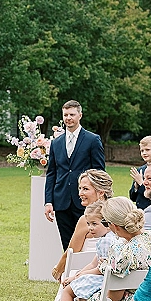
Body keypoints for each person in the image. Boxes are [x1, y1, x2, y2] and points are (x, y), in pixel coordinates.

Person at [42, 201, 115, 301]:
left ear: (107, 223)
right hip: (102, 278)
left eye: (94, 224)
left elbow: (102, 268)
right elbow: (94, 263)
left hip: (105, 280)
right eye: (88, 224)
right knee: (77, 294)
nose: (90, 228)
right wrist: (77, 275)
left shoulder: (108, 241)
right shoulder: (106, 239)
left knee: (68, 291)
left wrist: (80, 276)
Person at [44, 100, 106, 250]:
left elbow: (99, 172)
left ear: (80, 115)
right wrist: (48, 201)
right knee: (67, 244)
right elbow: (51, 173)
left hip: (85, 200)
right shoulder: (56, 143)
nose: (68, 118)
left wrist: (98, 199)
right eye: (65, 115)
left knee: (86, 242)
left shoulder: (92, 140)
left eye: (72, 114)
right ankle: (68, 272)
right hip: (61, 200)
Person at [51, 169, 114, 281]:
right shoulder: (116, 215)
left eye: (85, 189)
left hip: (84, 273)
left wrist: (57, 270)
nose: (80, 193)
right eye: (80, 188)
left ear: (101, 192)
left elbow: (71, 252)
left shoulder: (85, 220)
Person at [129, 135, 151, 210]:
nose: (144, 153)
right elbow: (133, 198)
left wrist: (141, 183)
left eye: (147, 150)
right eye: (142, 151)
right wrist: (136, 186)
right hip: (140, 211)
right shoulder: (140, 170)